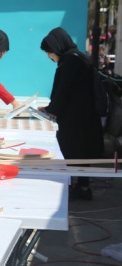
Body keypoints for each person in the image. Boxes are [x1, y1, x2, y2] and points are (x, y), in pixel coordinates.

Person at [39, 27, 104, 200]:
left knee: (72, 150)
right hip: (85, 115)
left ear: (57, 48)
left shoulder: (70, 61)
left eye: (49, 52)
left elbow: (63, 90)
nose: (49, 57)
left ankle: (77, 188)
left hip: (76, 118)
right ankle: (82, 186)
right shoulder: (79, 57)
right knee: (82, 151)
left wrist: (52, 109)